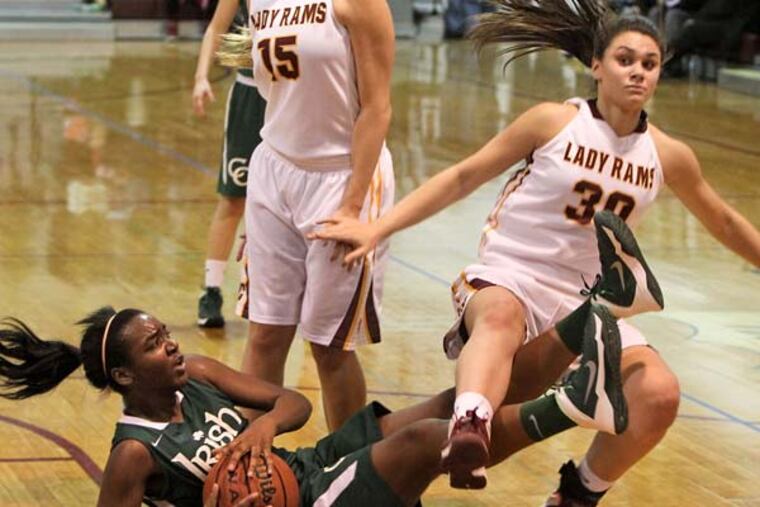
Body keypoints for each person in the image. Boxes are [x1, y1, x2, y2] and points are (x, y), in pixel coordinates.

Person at [311, 0, 760, 503]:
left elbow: (723, 219)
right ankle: (470, 423)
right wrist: (375, 228)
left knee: (658, 393)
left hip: (584, 301)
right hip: (509, 276)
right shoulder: (554, 122)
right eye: (625, 59)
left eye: (649, 64)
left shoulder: (667, 153)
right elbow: (463, 177)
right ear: (596, 65)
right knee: (499, 323)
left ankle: (577, 493)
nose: (637, 72)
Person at [0, 297, 633, 506]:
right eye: (153, 345)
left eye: (166, 335)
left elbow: (292, 402)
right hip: (295, 503)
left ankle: (598, 307)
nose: (170, 347)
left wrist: (265, 428)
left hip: (302, 466)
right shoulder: (133, 455)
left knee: (452, 396)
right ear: (122, 375)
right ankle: (576, 404)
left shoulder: (196, 372)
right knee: (425, 439)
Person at [215, 0, 396, 431]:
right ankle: (245, 467)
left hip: (342, 177)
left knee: (329, 347)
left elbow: (377, 108)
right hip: (274, 170)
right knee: (265, 332)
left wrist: (352, 207)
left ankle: (350, 471)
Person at [192, 0, 267, 328]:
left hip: (293, 97)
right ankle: (211, 289)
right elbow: (216, 28)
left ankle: (294, 295)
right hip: (250, 97)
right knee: (234, 197)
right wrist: (201, 77)